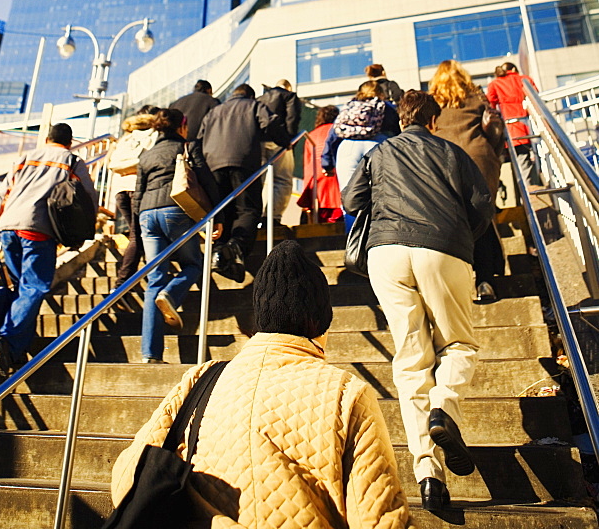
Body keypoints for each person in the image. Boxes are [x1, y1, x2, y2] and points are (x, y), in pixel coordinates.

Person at [110, 240, 412, 529]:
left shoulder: (202, 377)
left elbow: (128, 478)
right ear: (321, 322)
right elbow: (378, 518)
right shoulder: (347, 392)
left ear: (260, 316)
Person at [342, 90, 493, 512]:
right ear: (433, 120)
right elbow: (482, 207)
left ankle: (428, 473)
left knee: (410, 361)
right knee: (458, 344)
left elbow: (350, 201)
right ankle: (444, 407)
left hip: (385, 253)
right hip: (443, 249)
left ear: (401, 119)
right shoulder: (452, 152)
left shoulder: (378, 153)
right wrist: (462, 236)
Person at [0, 123, 98, 374]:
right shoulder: (72, 160)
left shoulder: (25, 157)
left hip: (8, 228)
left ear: (47, 139)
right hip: (38, 229)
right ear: (69, 142)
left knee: (22, 288)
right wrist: (82, 233)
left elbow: (3, 192)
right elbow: (87, 198)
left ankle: (15, 351)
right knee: (33, 287)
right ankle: (6, 341)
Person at [133, 108, 222, 364]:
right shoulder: (186, 147)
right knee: (193, 264)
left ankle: (151, 354)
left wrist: (135, 232)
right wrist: (218, 216)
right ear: (182, 127)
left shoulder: (147, 155)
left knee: (154, 279)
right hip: (176, 210)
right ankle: (171, 295)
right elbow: (205, 179)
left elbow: (137, 195)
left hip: (147, 216)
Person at [428, 60, 505, 304]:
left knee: (452, 224)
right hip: (479, 160)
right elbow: (493, 130)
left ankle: (452, 287)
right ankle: (485, 281)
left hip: (444, 164)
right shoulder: (476, 96)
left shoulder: (432, 102)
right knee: (481, 220)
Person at [198, 83, 290, 282]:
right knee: (248, 209)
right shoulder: (254, 106)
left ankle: (221, 255)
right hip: (243, 163)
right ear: (250, 95)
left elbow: (199, 139)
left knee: (223, 211)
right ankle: (234, 248)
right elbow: (271, 123)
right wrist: (286, 142)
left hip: (213, 166)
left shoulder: (214, 112)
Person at [109, 105, 159, 284]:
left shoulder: (126, 138)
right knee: (137, 235)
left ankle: (145, 271)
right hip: (137, 188)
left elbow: (111, 162)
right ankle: (121, 282)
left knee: (136, 232)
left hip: (120, 189)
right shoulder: (153, 135)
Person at [321, 79, 400, 191]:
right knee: (382, 194)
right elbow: (397, 132)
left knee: (349, 196)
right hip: (378, 146)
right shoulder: (387, 107)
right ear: (381, 93)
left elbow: (333, 136)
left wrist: (327, 163)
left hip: (348, 148)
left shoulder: (349, 107)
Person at [487, 61, 542, 187]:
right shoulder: (525, 80)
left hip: (508, 128)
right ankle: (530, 188)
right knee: (526, 159)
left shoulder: (495, 84)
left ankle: (523, 190)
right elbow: (535, 98)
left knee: (510, 161)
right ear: (514, 69)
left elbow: (490, 104)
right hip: (527, 126)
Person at [259, 78, 302, 223]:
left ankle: (254, 215)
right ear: (288, 88)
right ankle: (272, 217)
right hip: (280, 142)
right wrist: (289, 141)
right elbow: (292, 119)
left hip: (259, 142)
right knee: (282, 180)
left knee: (258, 180)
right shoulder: (290, 96)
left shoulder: (260, 98)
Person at [297, 105, 343, 223]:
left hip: (317, 184)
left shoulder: (310, 136)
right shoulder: (339, 132)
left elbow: (308, 168)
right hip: (336, 180)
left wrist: (306, 196)